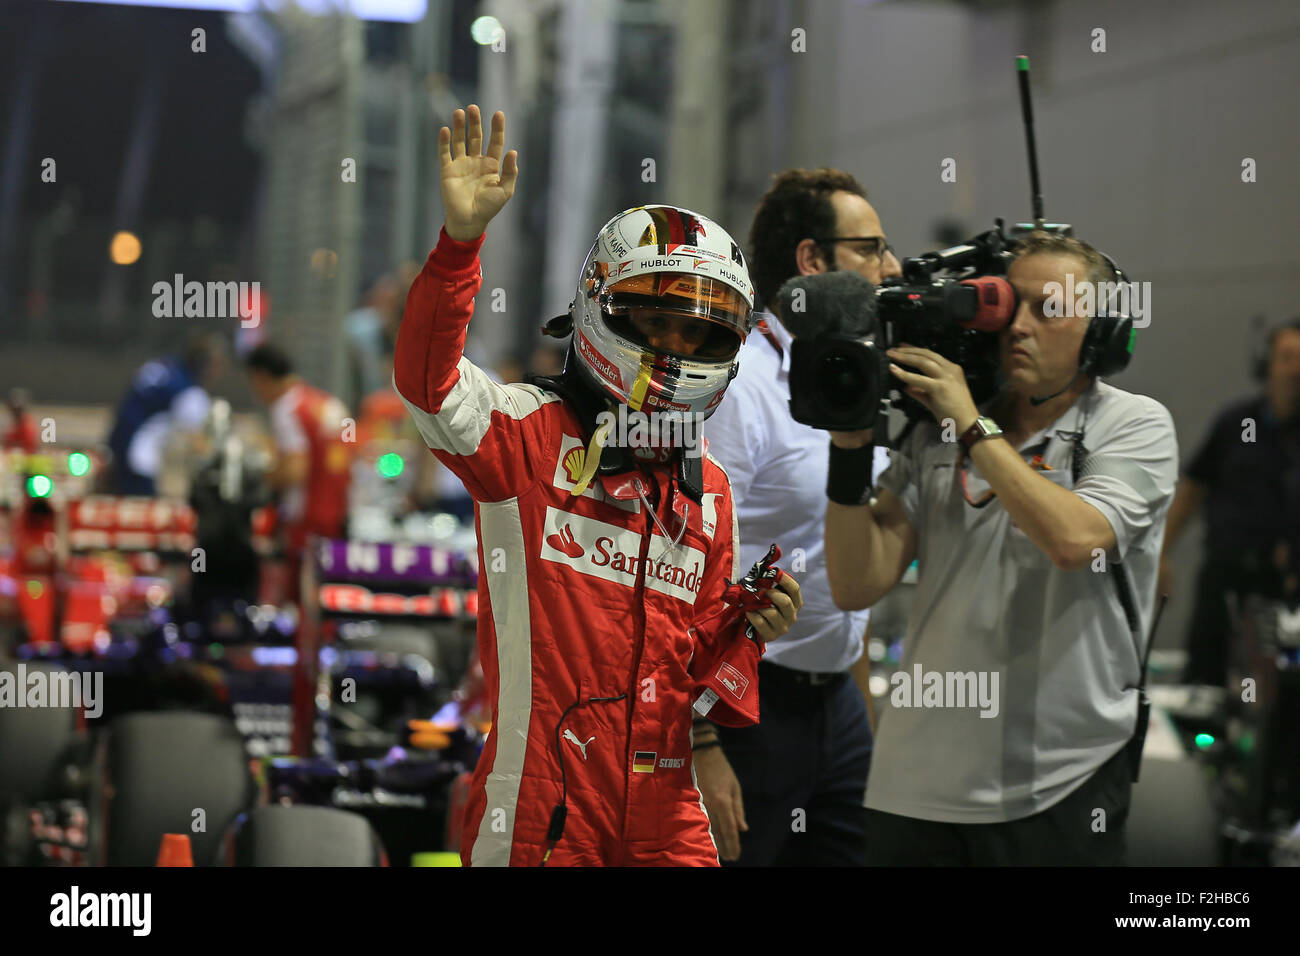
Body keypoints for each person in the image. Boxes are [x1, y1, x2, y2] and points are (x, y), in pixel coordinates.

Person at [392, 104, 802, 867]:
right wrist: (458, 249)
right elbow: (427, 385)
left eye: (698, 332)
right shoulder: (525, 433)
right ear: (601, 307)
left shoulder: (710, 487)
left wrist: (751, 626)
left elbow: (695, 668)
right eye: (652, 321)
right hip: (541, 798)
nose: (674, 348)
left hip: (667, 803)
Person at [824, 233, 1177, 865]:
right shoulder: (938, 431)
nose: (1019, 325)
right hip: (911, 786)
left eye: (1048, 308)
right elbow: (855, 583)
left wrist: (972, 427)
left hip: (1057, 784)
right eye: (1012, 306)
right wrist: (848, 452)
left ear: (1101, 332)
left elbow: (1075, 540)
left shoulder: (1131, 424)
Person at [697, 169, 898, 865]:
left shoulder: (852, 378)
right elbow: (687, 565)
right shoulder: (740, 387)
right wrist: (701, 744)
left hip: (836, 705)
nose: (891, 269)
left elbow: (842, 547)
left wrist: (859, 700)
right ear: (812, 260)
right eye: (870, 249)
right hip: (745, 708)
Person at [1161, 318, 1300, 685]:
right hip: (1227, 578)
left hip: (1286, 590)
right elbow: (1192, 488)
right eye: (1288, 357)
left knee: (1280, 697)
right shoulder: (1237, 423)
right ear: (1267, 365)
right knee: (1205, 682)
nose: (1296, 369)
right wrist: (1160, 553)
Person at [244, 344, 352, 564]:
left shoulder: (287, 409)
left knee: (298, 591)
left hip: (305, 520)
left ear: (261, 376)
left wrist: (263, 478)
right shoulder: (324, 402)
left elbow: (295, 471)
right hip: (336, 514)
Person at [105, 334, 225, 495]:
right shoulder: (190, 393)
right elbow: (199, 444)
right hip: (138, 457)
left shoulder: (166, 366)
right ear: (204, 365)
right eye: (216, 366)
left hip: (118, 444)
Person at [3, 388, 39, 454]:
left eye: (18, 409)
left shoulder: (28, 426)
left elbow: (29, 448)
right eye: (13, 409)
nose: (15, 412)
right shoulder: (13, 425)